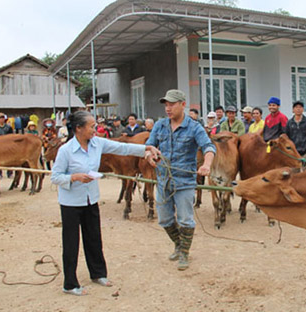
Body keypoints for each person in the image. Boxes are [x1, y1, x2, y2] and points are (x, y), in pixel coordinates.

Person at [51, 111, 160, 296]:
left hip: (90, 199)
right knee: (71, 242)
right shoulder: (66, 150)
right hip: (71, 202)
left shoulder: (97, 143)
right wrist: (74, 177)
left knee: (94, 237)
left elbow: (122, 148)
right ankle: (70, 284)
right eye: (92, 127)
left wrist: (146, 149)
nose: (95, 130)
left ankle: (98, 273)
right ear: (78, 129)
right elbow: (55, 177)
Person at [145, 89, 216, 271]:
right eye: (166, 105)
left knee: (185, 219)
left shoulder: (194, 127)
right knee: (164, 218)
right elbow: (150, 145)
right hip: (163, 180)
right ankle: (179, 244)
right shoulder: (160, 125)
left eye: (172, 104)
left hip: (184, 181)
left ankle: (184, 252)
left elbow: (208, 147)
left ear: (183, 105)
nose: (168, 108)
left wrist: (206, 165)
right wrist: (149, 155)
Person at [285, 101, 306, 169]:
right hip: (294, 153)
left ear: (303, 109)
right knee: (294, 174)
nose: (298, 109)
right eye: (296, 107)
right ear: (293, 110)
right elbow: (287, 135)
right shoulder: (289, 123)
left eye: (300, 107)